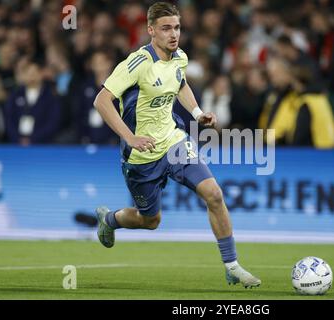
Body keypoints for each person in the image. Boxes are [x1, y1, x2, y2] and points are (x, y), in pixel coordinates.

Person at [92, 2, 261, 288]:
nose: (174, 34)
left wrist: (197, 114)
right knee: (151, 221)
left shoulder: (179, 58)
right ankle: (110, 219)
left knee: (214, 194)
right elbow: (101, 100)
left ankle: (232, 266)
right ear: (151, 31)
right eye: (166, 28)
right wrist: (130, 138)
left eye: (177, 28)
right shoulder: (137, 63)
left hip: (175, 142)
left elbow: (180, 84)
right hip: (142, 155)